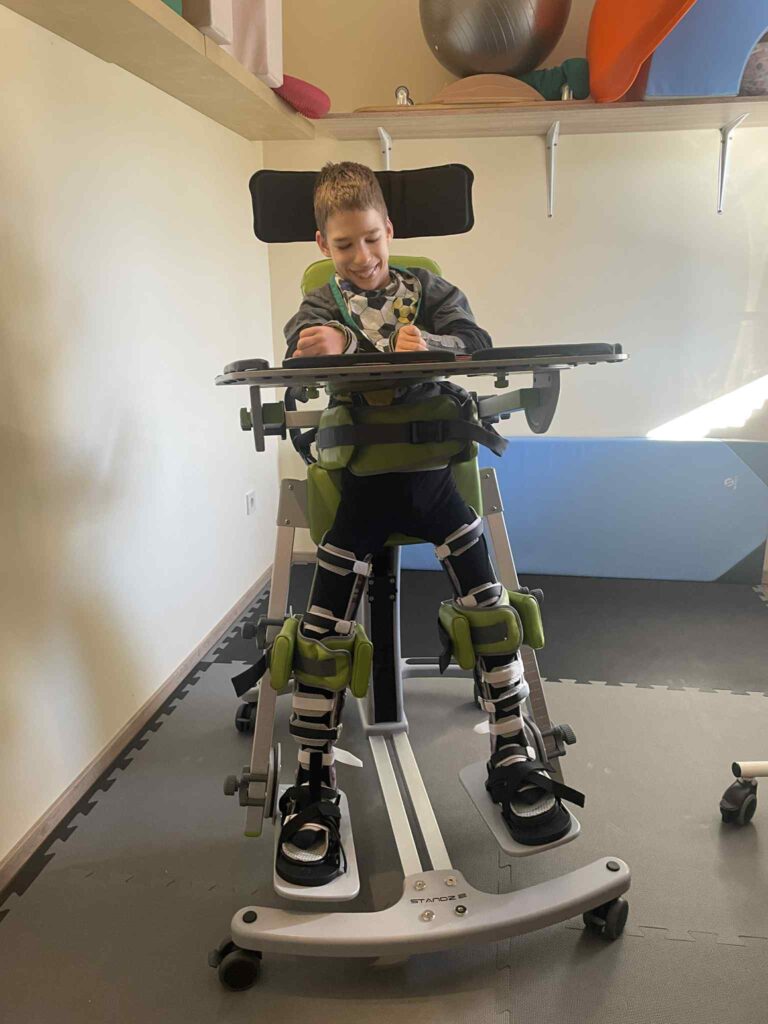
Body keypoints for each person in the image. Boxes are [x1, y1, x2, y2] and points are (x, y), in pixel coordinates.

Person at [275, 161, 580, 887]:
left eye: (372, 239)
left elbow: (475, 339)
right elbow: (297, 356)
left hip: (434, 481)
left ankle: (512, 749)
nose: (362, 257)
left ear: (390, 231)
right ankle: (314, 780)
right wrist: (317, 350)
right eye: (344, 245)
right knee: (321, 635)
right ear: (323, 245)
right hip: (360, 488)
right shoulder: (320, 304)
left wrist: (435, 346)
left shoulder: (430, 293)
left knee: (492, 612)